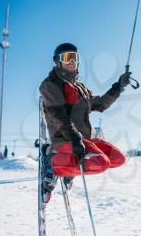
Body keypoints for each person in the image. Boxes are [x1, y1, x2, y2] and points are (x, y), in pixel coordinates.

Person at [39, 43, 131, 201]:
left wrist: (119, 86)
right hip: (66, 139)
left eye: (74, 57)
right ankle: (52, 162)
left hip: (83, 140)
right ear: (57, 61)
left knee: (117, 158)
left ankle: (70, 169)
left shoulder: (80, 88)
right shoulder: (50, 84)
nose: (71, 61)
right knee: (100, 162)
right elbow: (58, 115)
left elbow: (101, 104)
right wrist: (75, 138)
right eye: (66, 57)